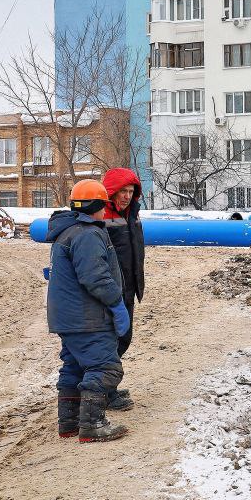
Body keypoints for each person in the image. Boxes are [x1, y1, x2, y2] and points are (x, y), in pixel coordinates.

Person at [45, 180, 130, 443]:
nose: (105, 211)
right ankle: (92, 424)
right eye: (103, 205)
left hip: (67, 316)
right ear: (96, 205)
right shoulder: (88, 234)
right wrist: (117, 303)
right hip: (87, 316)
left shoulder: (68, 231)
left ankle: (68, 422)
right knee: (105, 367)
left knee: (73, 366)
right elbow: (96, 277)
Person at [101, 169, 145, 393]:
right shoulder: (102, 217)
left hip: (129, 287)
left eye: (130, 191)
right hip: (110, 291)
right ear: (112, 192)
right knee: (110, 343)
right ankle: (103, 391)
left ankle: (104, 388)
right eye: (122, 192)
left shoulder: (133, 214)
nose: (127, 196)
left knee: (123, 339)